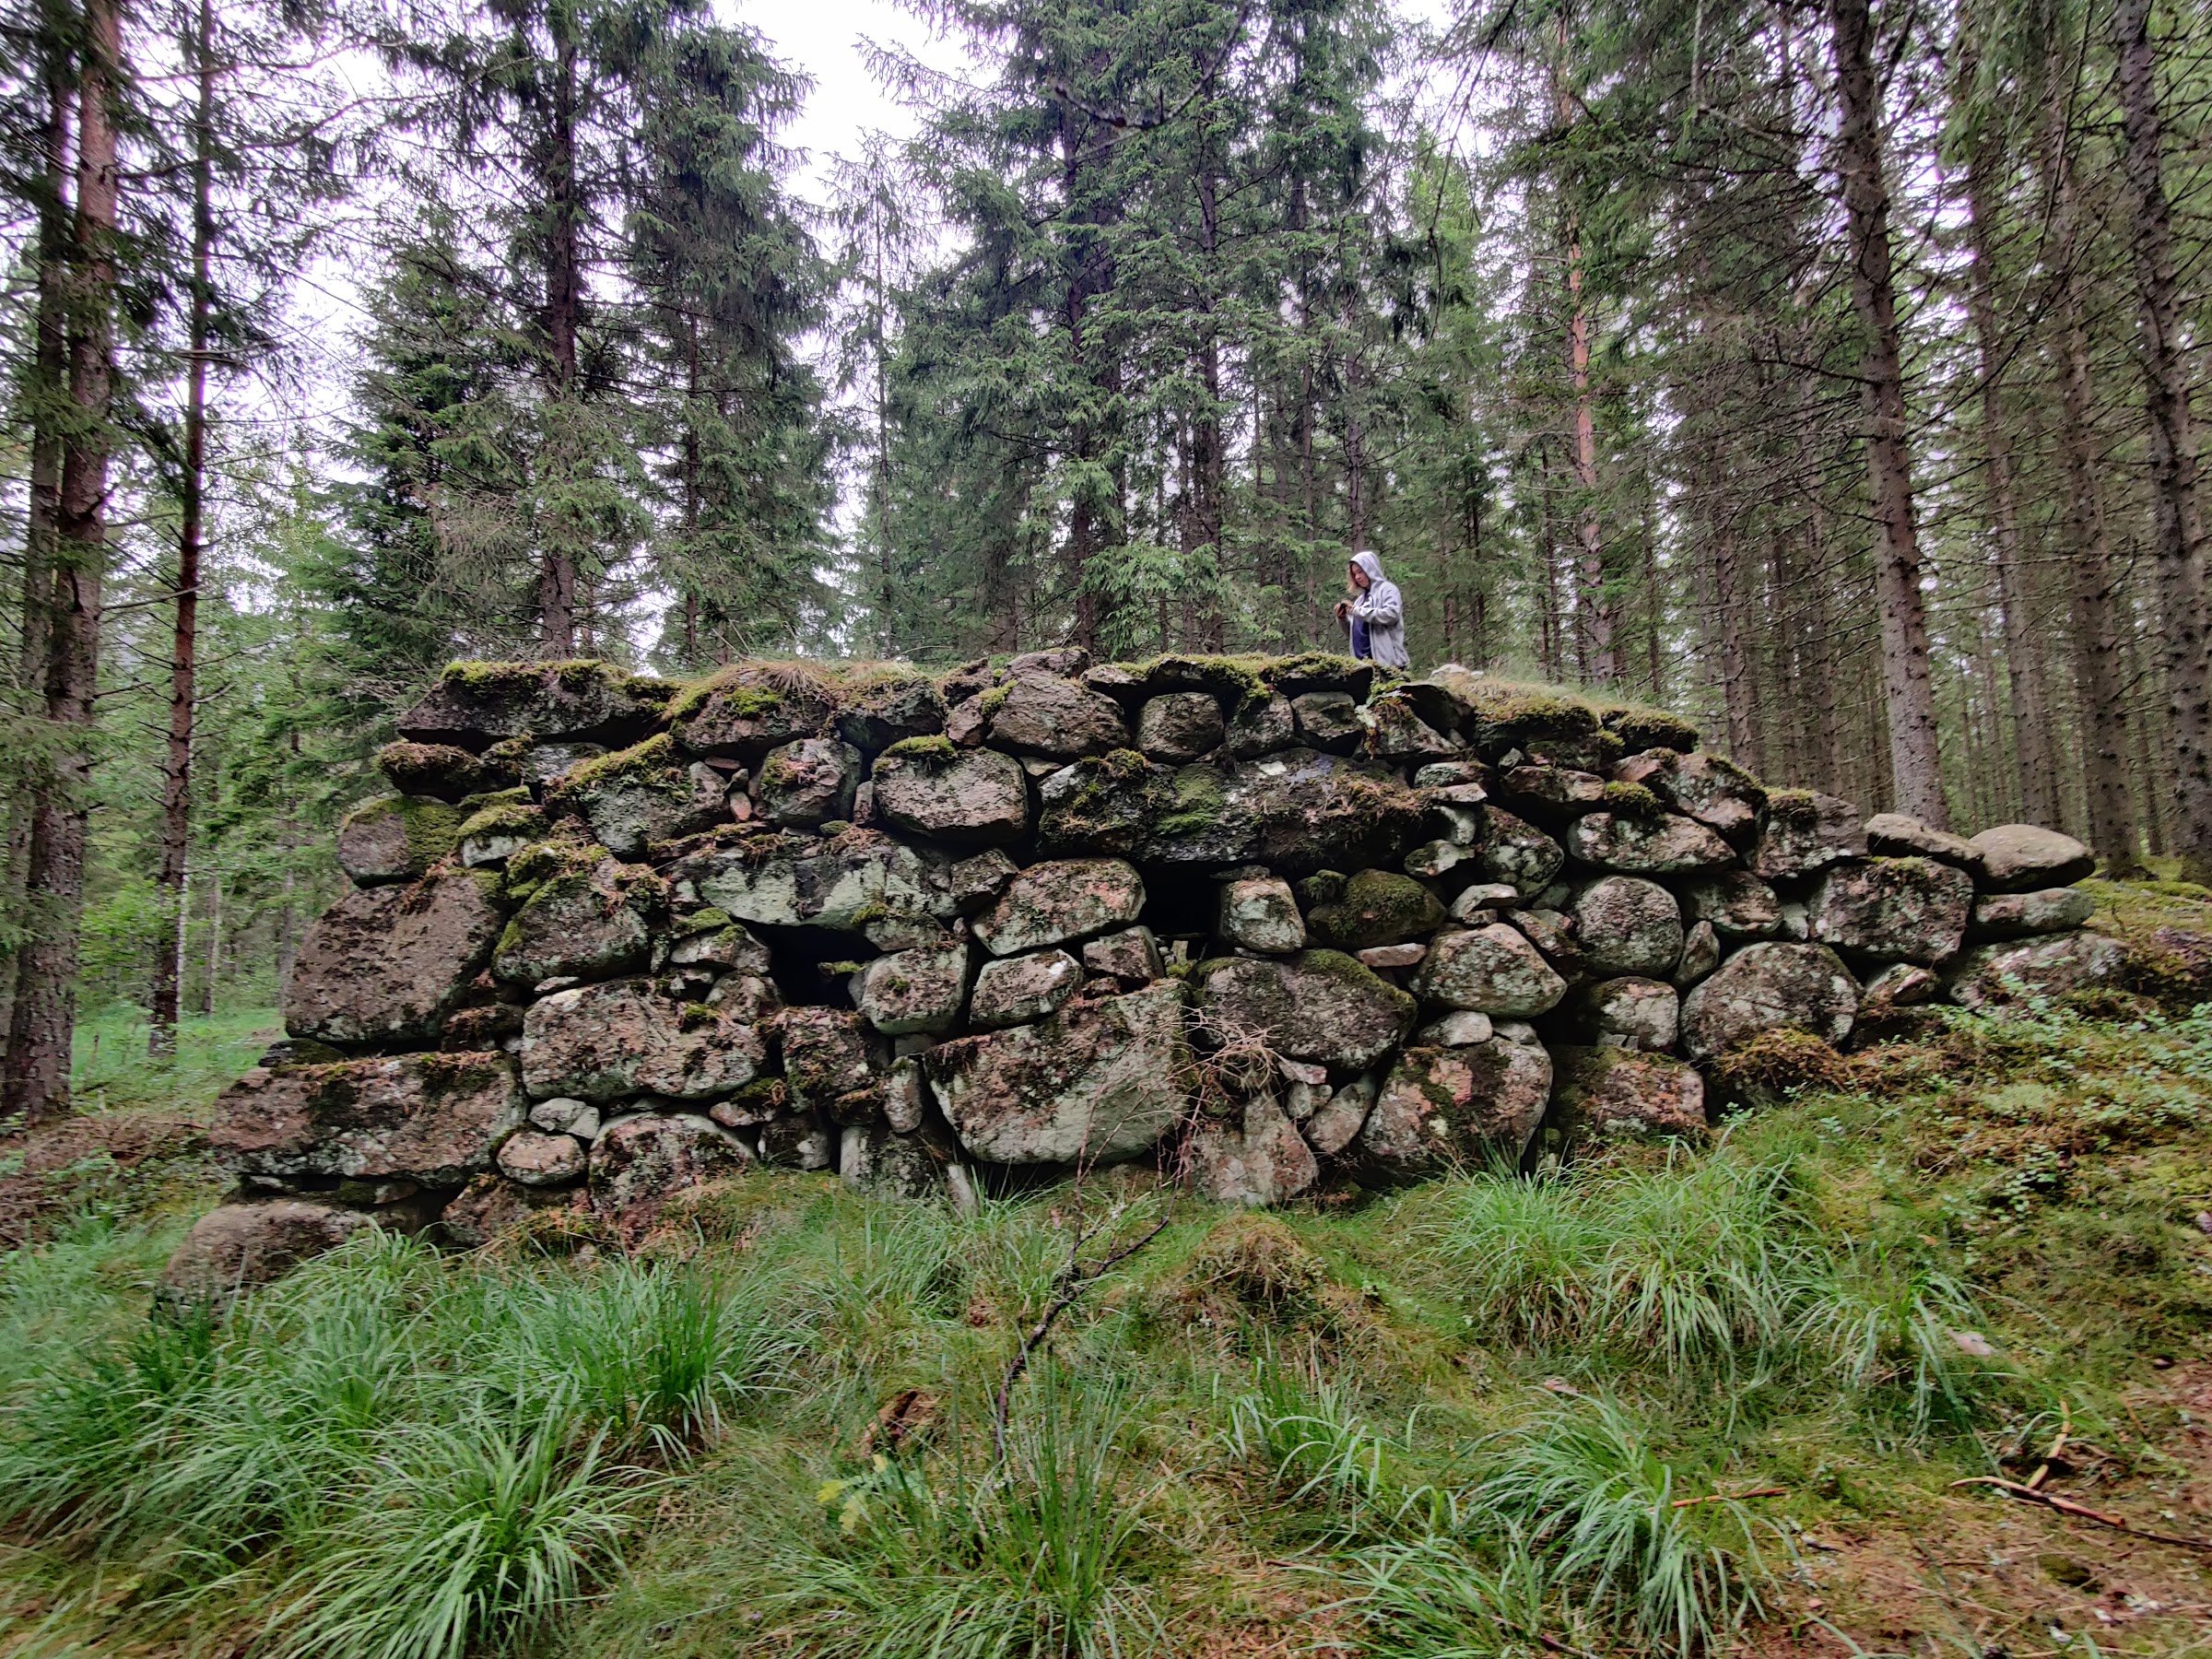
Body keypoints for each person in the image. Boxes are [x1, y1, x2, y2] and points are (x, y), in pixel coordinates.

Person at [1334, 549, 1407, 668]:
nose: (1357, 577)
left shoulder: (1388, 590)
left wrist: (1357, 611)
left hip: (1388, 664)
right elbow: (1354, 633)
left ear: (1370, 568)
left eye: (1360, 572)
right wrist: (1342, 618)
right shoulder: (1360, 600)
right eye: (1354, 574)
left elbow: (1391, 614)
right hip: (1361, 666)